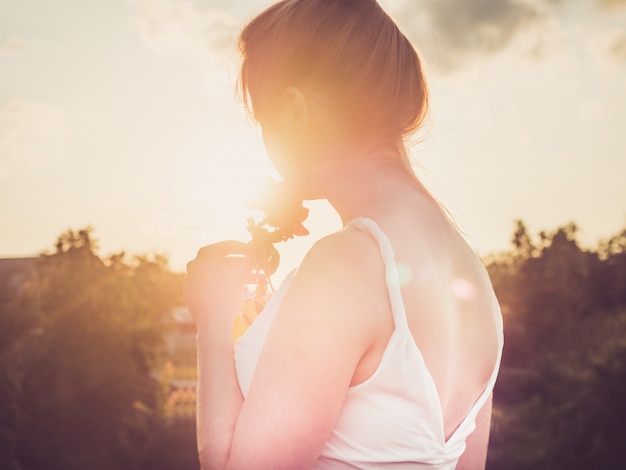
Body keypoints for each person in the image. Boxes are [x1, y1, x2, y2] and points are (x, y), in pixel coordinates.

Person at [184, 0, 504, 468]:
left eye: (263, 120)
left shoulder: (347, 264)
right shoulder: (474, 281)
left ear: (295, 110)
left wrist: (212, 323)